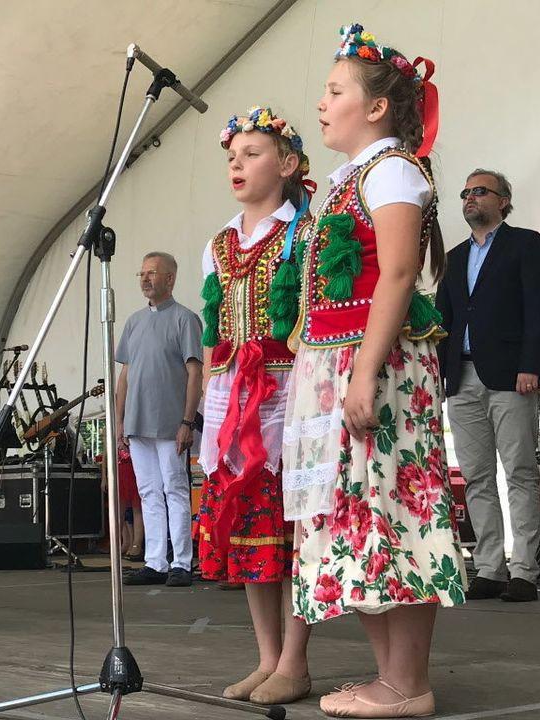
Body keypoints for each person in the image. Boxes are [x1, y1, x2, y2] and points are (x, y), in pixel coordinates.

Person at [282, 23, 467, 717]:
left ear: (379, 107)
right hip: (346, 363)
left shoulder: (392, 170)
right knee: (361, 519)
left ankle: (406, 683)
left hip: (376, 366)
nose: (323, 103)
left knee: (391, 512)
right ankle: (393, 678)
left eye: (335, 91)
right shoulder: (356, 177)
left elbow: (394, 272)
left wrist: (361, 374)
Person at [197, 106, 314, 705]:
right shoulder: (218, 243)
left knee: (288, 532)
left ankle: (294, 660)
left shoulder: (304, 234)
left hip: (284, 396)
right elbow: (215, 332)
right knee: (247, 528)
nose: (238, 165)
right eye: (232, 156)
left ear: (288, 164)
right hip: (231, 403)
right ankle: (268, 658)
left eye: (253, 154)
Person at [436, 169, 540, 603]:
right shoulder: (453, 256)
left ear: (503, 200)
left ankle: (524, 569)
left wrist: (530, 366)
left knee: (520, 472)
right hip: (461, 378)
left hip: (510, 376)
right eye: (465, 192)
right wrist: (440, 376)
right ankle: (490, 568)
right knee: (476, 476)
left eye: (479, 191)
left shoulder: (525, 243)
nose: (469, 198)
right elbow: (443, 322)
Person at [116, 251, 203, 587]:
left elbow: (194, 372)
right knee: (149, 491)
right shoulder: (134, 322)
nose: (145, 278)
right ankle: (155, 561)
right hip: (137, 422)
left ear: (170, 278)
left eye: (152, 273)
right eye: (141, 273)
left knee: (175, 489)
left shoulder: (185, 319)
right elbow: (125, 374)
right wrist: (120, 420)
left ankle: (181, 561)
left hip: (170, 422)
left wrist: (186, 421)